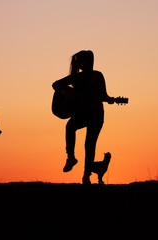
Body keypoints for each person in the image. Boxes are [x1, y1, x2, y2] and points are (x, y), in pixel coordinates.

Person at [52, 50, 114, 184]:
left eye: (82, 61)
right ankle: (71, 157)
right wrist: (67, 94)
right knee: (70, 127)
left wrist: (109, 99)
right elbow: (55, 84)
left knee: (90, 144)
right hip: (82, 112)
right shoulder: (76, 77)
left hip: (96, 114)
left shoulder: (97, 76)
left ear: (89, 61)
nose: (80, 64)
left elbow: (103, 94)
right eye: (78, 61)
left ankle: (87, 175)